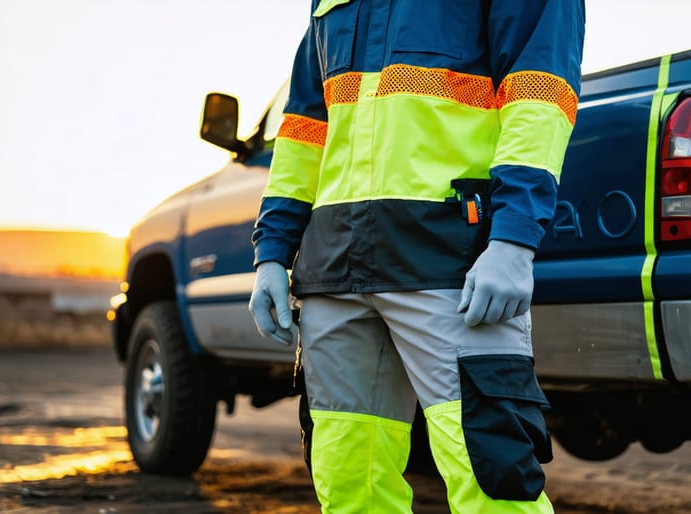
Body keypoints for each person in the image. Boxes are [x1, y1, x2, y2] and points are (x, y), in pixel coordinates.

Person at [249, 1, 585, 511]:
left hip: (451, 261)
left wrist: (514, 241)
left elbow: (539, 96)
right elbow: (305, 125)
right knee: (349, 489)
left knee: (491, 482)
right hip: (335, 269)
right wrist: (272, 252)